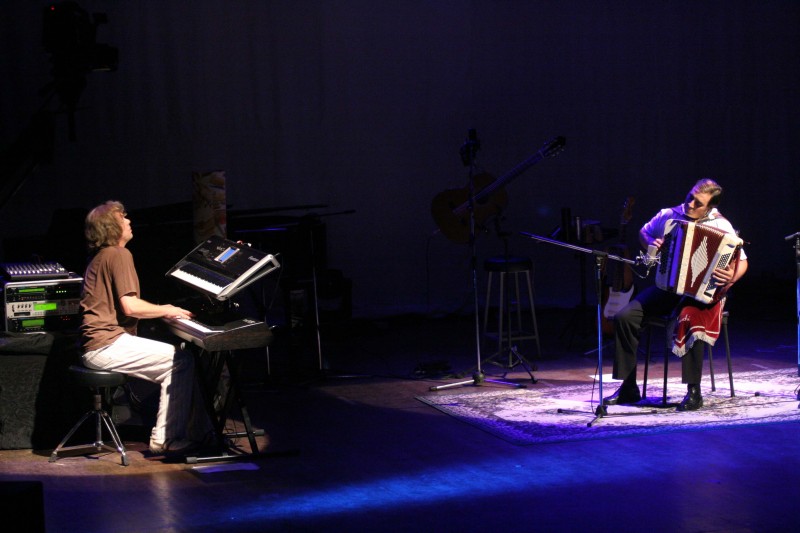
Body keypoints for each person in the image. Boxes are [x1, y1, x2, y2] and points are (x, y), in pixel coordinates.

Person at [603, 178, 748, 411]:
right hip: (668, 287)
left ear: (710, 207)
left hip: (702, 293)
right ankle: (628, 387)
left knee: (688, 320)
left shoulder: (721, 225)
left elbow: (743, 262)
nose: (690, 204)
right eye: (690, 197)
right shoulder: (669, 215)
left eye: (698, 203)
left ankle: (694, 392)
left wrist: (731, 276)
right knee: (625, 317)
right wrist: (652, 243)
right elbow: (644, 232)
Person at [79, 200, 211, 455]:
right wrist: (168, 309)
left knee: (182, 359)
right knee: (181, 361)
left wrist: (162, 312)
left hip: (98, 345)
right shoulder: (118, 254)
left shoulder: (101, 256)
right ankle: (166, 439)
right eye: (123, 218)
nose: (129, 221)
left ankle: (197, 432)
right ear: (111, 227)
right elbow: (131, 307)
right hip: (105, 345)